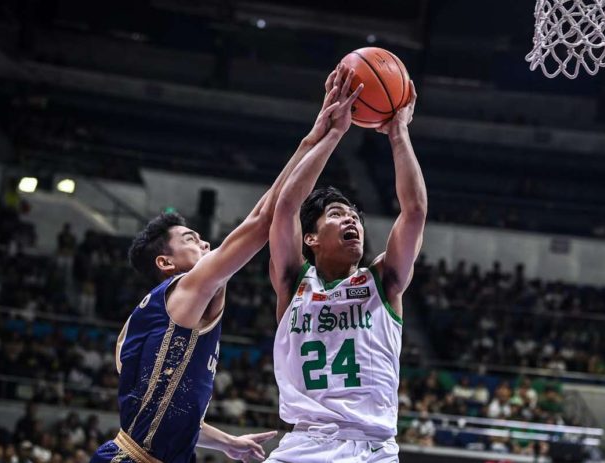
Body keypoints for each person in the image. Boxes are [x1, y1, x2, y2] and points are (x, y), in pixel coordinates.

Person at [91, 64, 363, 463]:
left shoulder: (151, 318)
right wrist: (321, 135)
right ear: (165, 262)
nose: (203, 240)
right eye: (189, 239)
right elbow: (263, 219)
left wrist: (226, 443)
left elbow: (166, 412)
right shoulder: (186, 288)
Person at [266, 78, 425, 462]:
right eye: (337, 215)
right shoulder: (292, 281)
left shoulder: (382, 282)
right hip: (305, 444)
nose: (351, 220)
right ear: (311, 239)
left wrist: (399, 134)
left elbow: (414, 212)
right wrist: (334, 132)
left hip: (371, 448)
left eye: (355, 215)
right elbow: (285, 207)